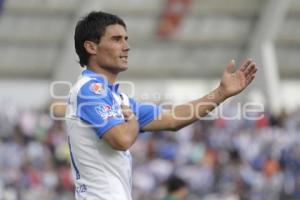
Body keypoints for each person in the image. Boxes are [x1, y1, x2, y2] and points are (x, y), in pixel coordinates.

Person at [65, 11, 257, 200]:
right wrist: (132, 120)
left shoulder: (118, 98)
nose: (126, 46)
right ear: (91, 47)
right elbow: (122, 139)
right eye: (116, 39)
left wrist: (221, 93)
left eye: (126, 39)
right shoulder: (89, 89)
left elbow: (173, 119)